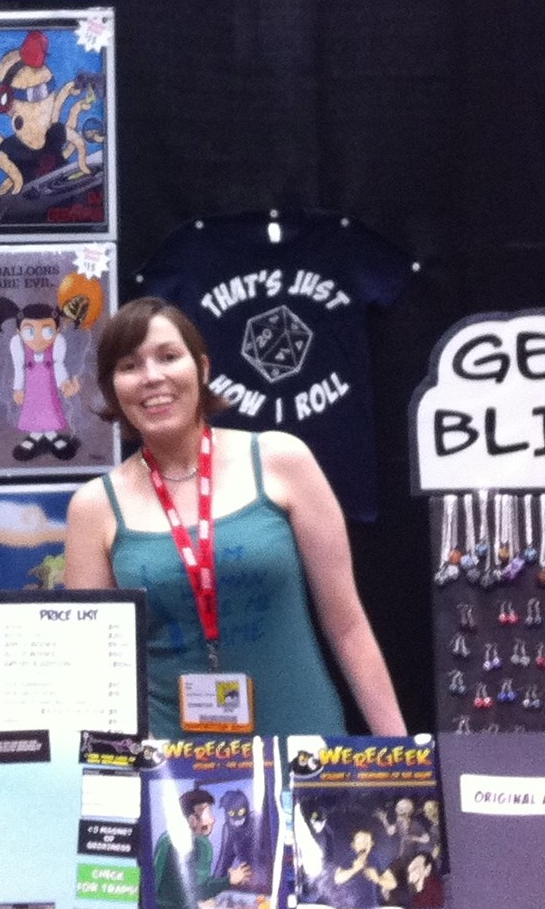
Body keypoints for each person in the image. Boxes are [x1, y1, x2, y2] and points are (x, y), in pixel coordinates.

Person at [63, 298, 406, 738]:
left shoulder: (281, 460)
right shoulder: (94, 506)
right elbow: (96, 673)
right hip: (170, 767)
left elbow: (348, 625)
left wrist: (402, 754)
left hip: (300, 744)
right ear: (112, 388)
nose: (152, 377)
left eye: (169, 357)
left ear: (202, 368)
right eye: (129, 366)